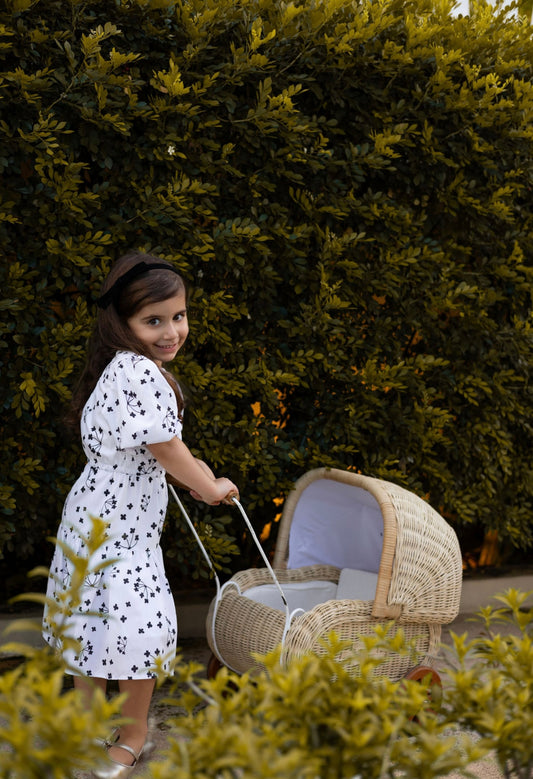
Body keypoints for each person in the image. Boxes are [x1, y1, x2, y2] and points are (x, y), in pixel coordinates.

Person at [42, 251, 239, 778]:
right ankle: (132, 732)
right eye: (153, 321)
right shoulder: (140, 372)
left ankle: (91, 725)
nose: (171, 331)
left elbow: (161, 449)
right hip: (121, 534)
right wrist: (211, 486)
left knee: (92, 621)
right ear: (123, 324)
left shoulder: (125, 368)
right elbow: (169, 450)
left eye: (178, 316)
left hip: (95, 521)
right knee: (137, 628)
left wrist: (198, 482)